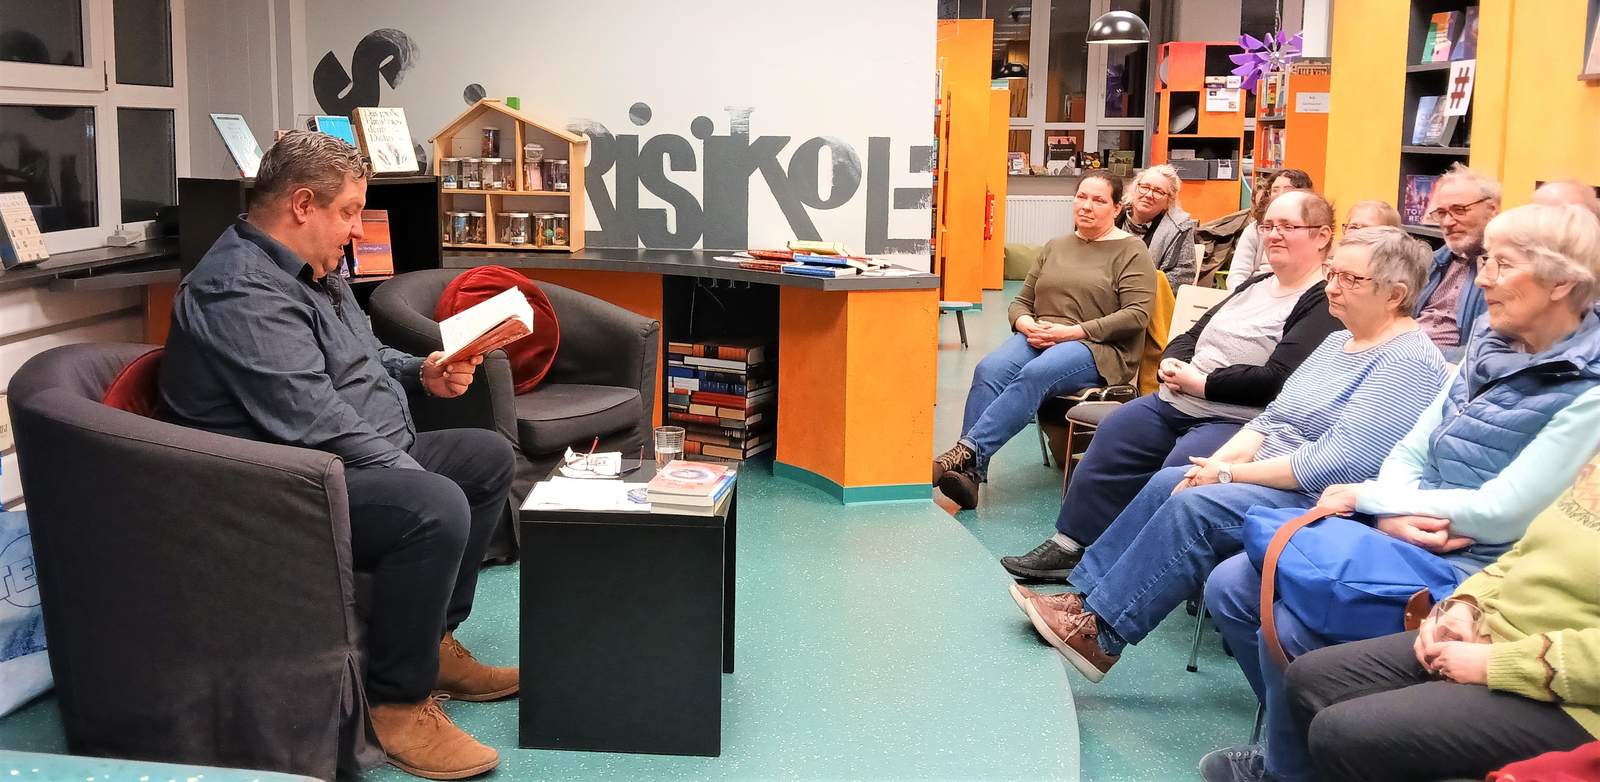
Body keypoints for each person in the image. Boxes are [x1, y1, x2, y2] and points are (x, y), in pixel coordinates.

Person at [1200, 203, 1600, 782]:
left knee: (1289, 625)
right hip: (1417, 527)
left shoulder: (1585, 387)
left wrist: (1367, 502)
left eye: (1502, 264)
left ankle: (1293, 763)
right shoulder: (1488, 344)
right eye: (1485, 261)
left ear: (1561, 282)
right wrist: (1385, 511)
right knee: (1235, 583)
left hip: (1468, 552)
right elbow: (1412, 447)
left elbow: (1503, 513)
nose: (1483, 279)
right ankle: (1293, 755)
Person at [160, 131, 516, 780]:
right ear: (302, 205)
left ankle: (433, 642)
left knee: (485, 458)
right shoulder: (238, 289)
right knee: (435, 502)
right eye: (350, 211)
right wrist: (412, 475)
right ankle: (397, 705)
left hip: (344, 461)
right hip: (279, 487)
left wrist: (423, 372)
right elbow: (311, 419)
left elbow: (366, 356)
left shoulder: (315, 270)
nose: (358, 229)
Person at [1010, 226, 1448, 684]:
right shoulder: (1337, 342)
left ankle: (1101, 634)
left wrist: (1229, 476)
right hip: (1277, 476)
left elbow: (1335, 463)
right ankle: (1082, 599)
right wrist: (1216, 466)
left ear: (1396, 294)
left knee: (1195, 506)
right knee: (1170, 480)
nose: (1332, 287)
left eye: (1349, 279)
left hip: (1323, 500)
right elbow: (1271, 419)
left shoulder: (1407, 363)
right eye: (1332, 273)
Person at [1001, 190, 1342, 580]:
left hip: (1236, 420)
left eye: (1288, 227)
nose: (1274, 235)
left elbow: (1279, 380)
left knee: (1178, 471)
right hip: (1176, 400)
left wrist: (1203, 384)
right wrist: (1171, 361)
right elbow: (1192, 334)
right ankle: (1069, 545)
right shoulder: (1257, 283)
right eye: (1268, 226)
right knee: (1116, 433)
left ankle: (1120, 572)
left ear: (1322, 236)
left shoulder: (1321, 302)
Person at [1281, 445, 1600, 782]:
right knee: (1309, 678)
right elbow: (1526, 552)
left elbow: (1497, 511)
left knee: (1343, 733)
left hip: (1575, 700)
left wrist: (1496, 664)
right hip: (1496, 630)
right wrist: (1463, 604)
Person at [934, 172, 1158, 509]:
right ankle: (971, 476)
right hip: (1041, 335)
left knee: (1037, 373)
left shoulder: (1131, 250)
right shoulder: (1055, 246)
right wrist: (1025, 323)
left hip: (1096, 346)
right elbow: (1021, 301)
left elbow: (1136, 315)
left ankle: (962, 454)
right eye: (1081, 197)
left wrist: (1073, 332)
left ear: (1116, 208)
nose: (1087, 206)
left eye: (1098, 200)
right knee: (989, 369)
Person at [1414, 163, 1499, 356]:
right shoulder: (1431, 261)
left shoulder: (1502, 273)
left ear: (1492, 209)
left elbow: (1487, 350)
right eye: (1441, 213)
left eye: (1459, 210)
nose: (1447, 222)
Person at [1227, 170, 1315, 291]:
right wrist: (1243, 297)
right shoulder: (1254, 229)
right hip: (1255, 291)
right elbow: (1237, 275)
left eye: (1288, 189)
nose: (1280, 194)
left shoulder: (1313, 229)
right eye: (1275, 190)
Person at [1119, 164, 1198, 291]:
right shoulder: (1112, 214)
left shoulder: (1179, 227)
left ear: (1169, 200)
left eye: (1158, 191)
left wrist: (1134, 289)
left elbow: (1183, 277)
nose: (1149, 195)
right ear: (1135, 188)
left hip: (1148, 297)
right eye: (1145, 187)